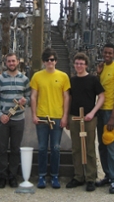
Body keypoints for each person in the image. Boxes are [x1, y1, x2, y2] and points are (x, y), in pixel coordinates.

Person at [30, 47, 70, 189]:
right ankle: (41, 175)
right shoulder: (37, 76)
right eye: (47, 60)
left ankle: (54, 175)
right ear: (43, 62)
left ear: (56, 61)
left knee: (55, 148)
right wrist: (34, 114)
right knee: (41, 147)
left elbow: (66, 97)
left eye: (52, 60)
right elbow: (33, 96)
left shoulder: (63, 76)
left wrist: (65, 116)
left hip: (57, 116)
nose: (49, 62)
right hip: (42, 116)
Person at [66, 53, 105, 192]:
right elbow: (69, 98)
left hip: (89, 118)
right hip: (75, 117)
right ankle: (78, 176)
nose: (79, 66)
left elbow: (101, 97)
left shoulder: (93, 80)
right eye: (77, 63)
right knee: (76, 148)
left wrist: (93, 112)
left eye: (81, 64)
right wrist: (67, 116)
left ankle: (90, 177)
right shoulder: (72, 80)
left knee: (89, 148)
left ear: (86, 65)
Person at [0, 53, 30, 188]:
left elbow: (29, 96)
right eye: (9, 61)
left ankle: (12, 176)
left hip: (18, 119)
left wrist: (25, 101)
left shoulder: (24, 79)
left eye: (13, 61)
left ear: (18, 62)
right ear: (5, 63)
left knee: (15, 148)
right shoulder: (0, 79)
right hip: (3, 119)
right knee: (2, 148)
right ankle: (2, 176)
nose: (11, 63)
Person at [95, 43, 114, 194]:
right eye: (105, 52)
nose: (107, 55)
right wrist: (98, 73)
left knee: (111, 145)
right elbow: (100, 88)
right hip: (100, 110)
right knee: (101, 145)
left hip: (109, 112)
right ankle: (108, 174)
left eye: (110, 53)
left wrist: (113, 117)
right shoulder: (102, 67)